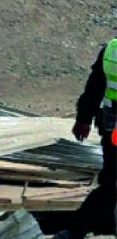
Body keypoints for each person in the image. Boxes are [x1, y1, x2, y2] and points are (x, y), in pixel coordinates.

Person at [55, 38, 117, 239]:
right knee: (111, 183)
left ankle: (75, 230)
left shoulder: (112, 49)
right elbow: (95, 87)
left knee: (110, 183)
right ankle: (76, 230)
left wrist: (83, 118)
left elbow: (94, 87)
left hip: (111, 129)